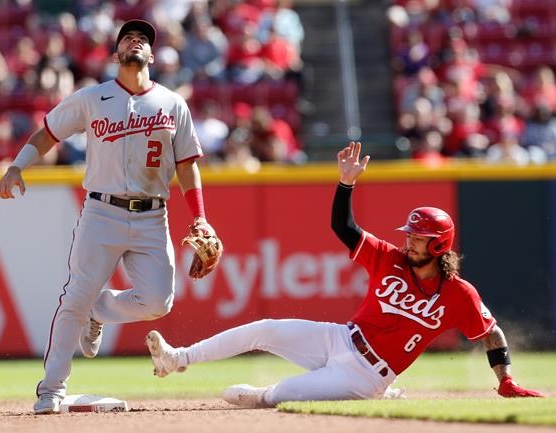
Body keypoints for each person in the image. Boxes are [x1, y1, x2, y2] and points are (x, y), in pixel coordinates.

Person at [145, 141, 544, 408]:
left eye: (418, 238)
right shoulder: (391, 259)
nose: (409, 242)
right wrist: (345, 184)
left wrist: (504, 378)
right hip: (340, 337)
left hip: (367, 375)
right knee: (263, 328)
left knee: (282, 395)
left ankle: (268, 395)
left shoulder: (458, 293)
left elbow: (490, 332)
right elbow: (344, 227)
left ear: (438, 245)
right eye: (409, 235)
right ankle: (176, 358)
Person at [0, 19, 217, 414]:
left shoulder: (172, 103)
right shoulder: (91, 98)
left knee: (158, 302)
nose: (136, 42)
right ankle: (52, 389)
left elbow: (187, 165)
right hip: (102, 212)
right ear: (116, 54)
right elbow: (46, 133)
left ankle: (99, 310)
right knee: (74, 298)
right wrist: (17, 165)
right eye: (128, 38)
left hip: (152, 215)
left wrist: (200, 217)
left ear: (152, 55)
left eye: (143, 40)